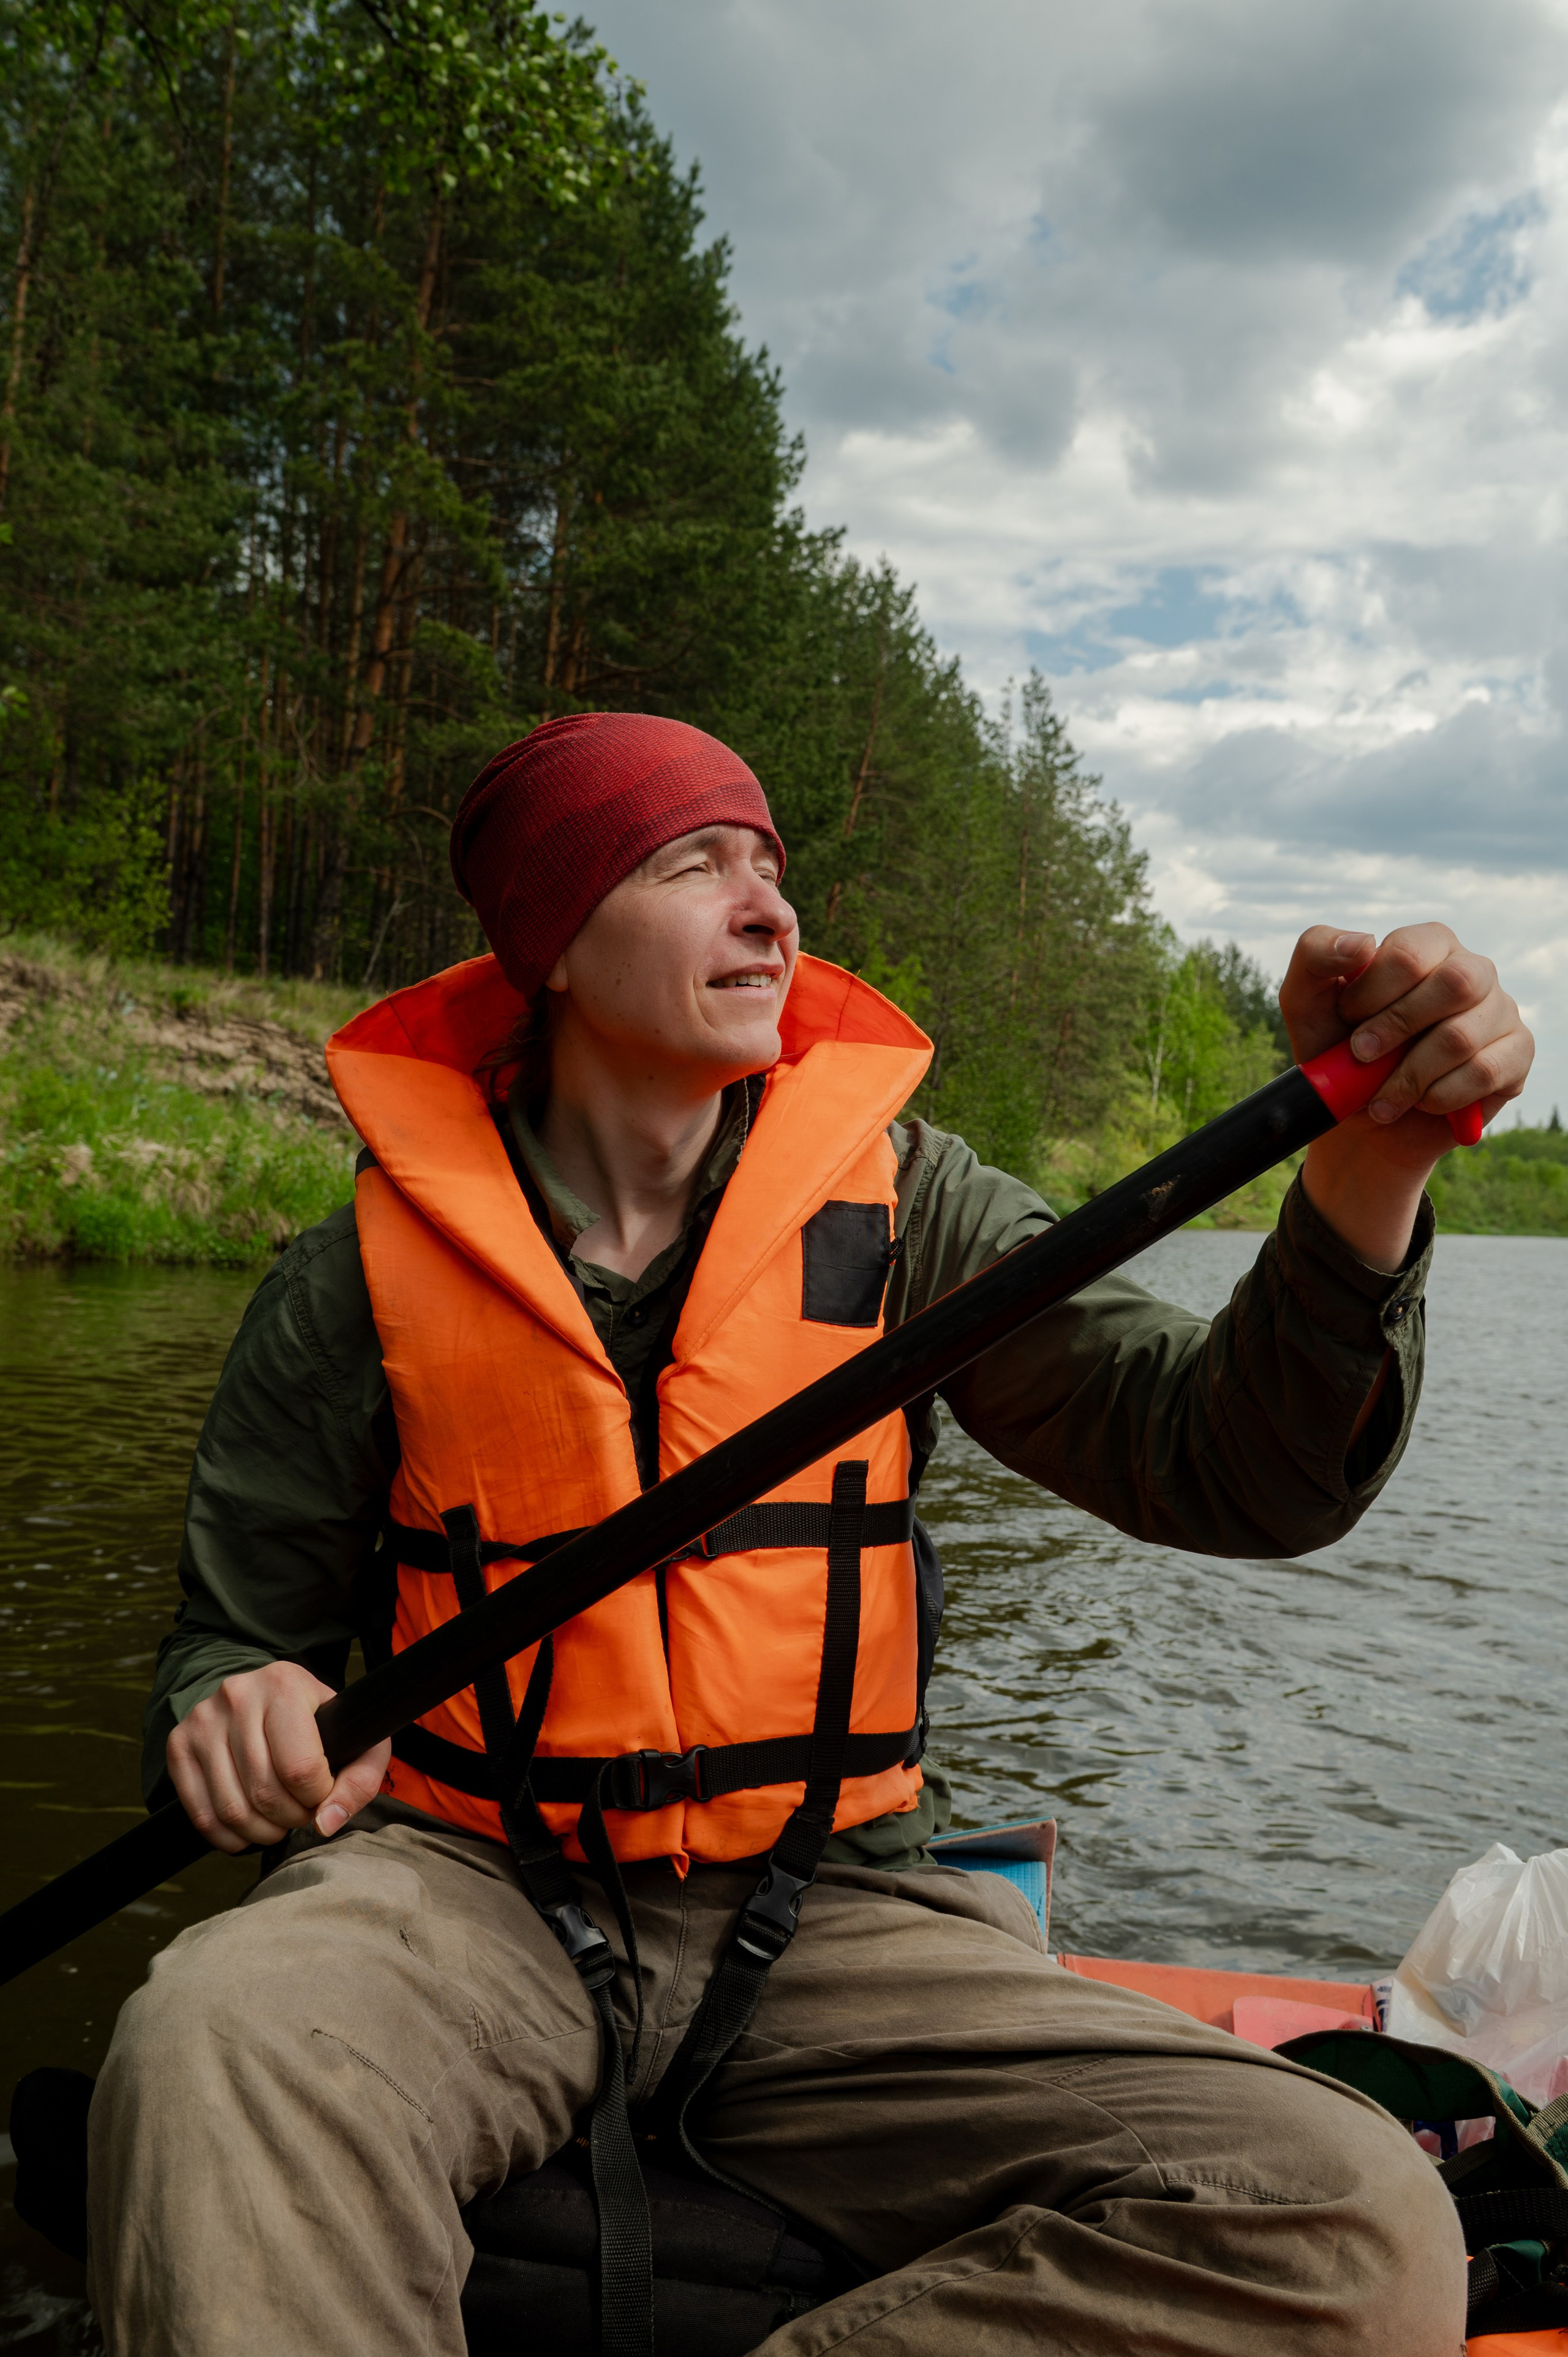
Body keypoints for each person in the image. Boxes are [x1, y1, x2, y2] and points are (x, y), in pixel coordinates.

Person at [87, 712, 1531, 2356]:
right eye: (688, 863)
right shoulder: (354, 1274)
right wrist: (234, 1711)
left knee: (1353, 2223)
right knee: (205, 2038)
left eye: (772, 867)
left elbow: (1233, 1473)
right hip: (463, 1896)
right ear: (551, 946)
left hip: (829, 1920)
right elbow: (226, 1641)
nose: (769, 908)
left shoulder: (915, 1211)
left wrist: (1371, 1164)